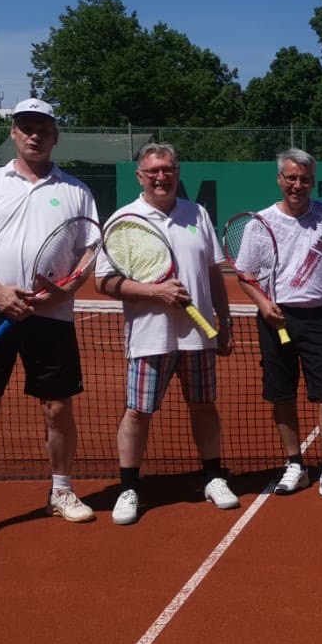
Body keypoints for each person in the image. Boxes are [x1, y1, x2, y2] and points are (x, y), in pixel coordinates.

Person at [0, 98, 99, 546]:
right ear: (13, 132)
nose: (34, 135)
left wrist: (66, 290)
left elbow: (91, 249)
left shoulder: (76, 190)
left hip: (51, 317)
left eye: (43, 128)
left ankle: (62, 491)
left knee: (58, 408)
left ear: (55, 135)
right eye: (25, 127)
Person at [97, 143, 239, 526]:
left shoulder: (197, 214)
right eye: (153, 171)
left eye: (168, 169)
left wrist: (224, 322)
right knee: (139, 412)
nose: (162, 177)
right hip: (149, 337)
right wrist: (154, 292)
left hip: (198, 336)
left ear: (177, 172)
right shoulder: (124, 219)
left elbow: (213, 273)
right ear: (140, 176)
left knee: (204, 406)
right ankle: (129, 486)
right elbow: (105, 282)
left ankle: (212, 477)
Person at [239, 148, 322, 505]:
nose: (297, 185)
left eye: (304, 179)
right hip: (276, 319)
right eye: (291, 178)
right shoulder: (261, 222)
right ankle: (294, 464)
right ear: (280, 180)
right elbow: (245, 274)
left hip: (318, 318)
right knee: (281, 394)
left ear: (312, 181)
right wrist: (262, 303)